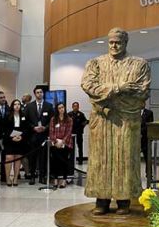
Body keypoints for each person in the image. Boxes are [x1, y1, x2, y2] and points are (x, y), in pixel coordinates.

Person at [81, 27, 151, 215]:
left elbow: (142, 92)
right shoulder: (96, 63)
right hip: (102, 120)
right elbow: (89, 87)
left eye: (118, 42)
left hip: (127, 121)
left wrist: (105, 96)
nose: (114, 46)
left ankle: (124, 201)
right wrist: (119, 88)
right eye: (111, 42)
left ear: (125, 42)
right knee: (100, 159)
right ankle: (101, 201)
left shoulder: (139, 65)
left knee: (125, 159)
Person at [24, 87, 55, 185]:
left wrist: (45, 128)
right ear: (35, 94)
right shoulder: (29, 106)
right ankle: (32, 176)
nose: (39, 94)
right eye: (37, 92)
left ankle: (42, 177)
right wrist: (33, 127)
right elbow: (26, 121)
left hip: (44, 136)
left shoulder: (49, 106)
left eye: (41, 92)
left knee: (43, 157)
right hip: (33, 136)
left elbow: (52, 121)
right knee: (32, 157)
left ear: (43, 93)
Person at [4, 99, 28, 186]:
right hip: (9, 140)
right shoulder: (7, 115)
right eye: (15, 104)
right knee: (9, 158)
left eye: (18, 104)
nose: (17, 106)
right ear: (12, 106)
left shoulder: (23, 116)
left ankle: (15, 178)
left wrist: (21, 136)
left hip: (20, 140)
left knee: (18, 158)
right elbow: (5, 129)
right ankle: (8, 178)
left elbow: (26, 128)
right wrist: (12, 137)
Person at [49, 103, 73, 188]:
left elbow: (69, 132)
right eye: (59, 108)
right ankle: (55, 179)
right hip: (55, 144)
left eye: (62, 107)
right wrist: (56, 141)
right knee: (55, 162)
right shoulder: (53, 119)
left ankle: (64, 180)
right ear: (57, 110)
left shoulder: (69, 119)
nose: (61, 109)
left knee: (64, 162)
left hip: (65, 143)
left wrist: (62, 142)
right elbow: (51, 132)